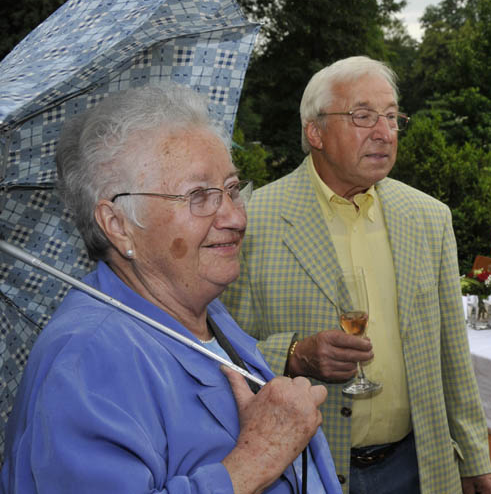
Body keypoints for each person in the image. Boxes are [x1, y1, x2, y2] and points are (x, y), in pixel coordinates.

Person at [0, 84, 342, 493]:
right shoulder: (88, 360)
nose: (235, 218)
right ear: (118, 224)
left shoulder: (203, 310)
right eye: (199, 196)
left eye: (232, 190)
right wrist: (258, 458)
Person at [222, 56, 491, 494]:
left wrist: (474, 456)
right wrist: (293, 354)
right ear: (315, 132)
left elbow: (452, 352)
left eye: (392, 117)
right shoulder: (251, 222)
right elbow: (223, 352)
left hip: (416, 467)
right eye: (363, 116)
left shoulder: (429, 217)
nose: (385, 132)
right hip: (306, 470)